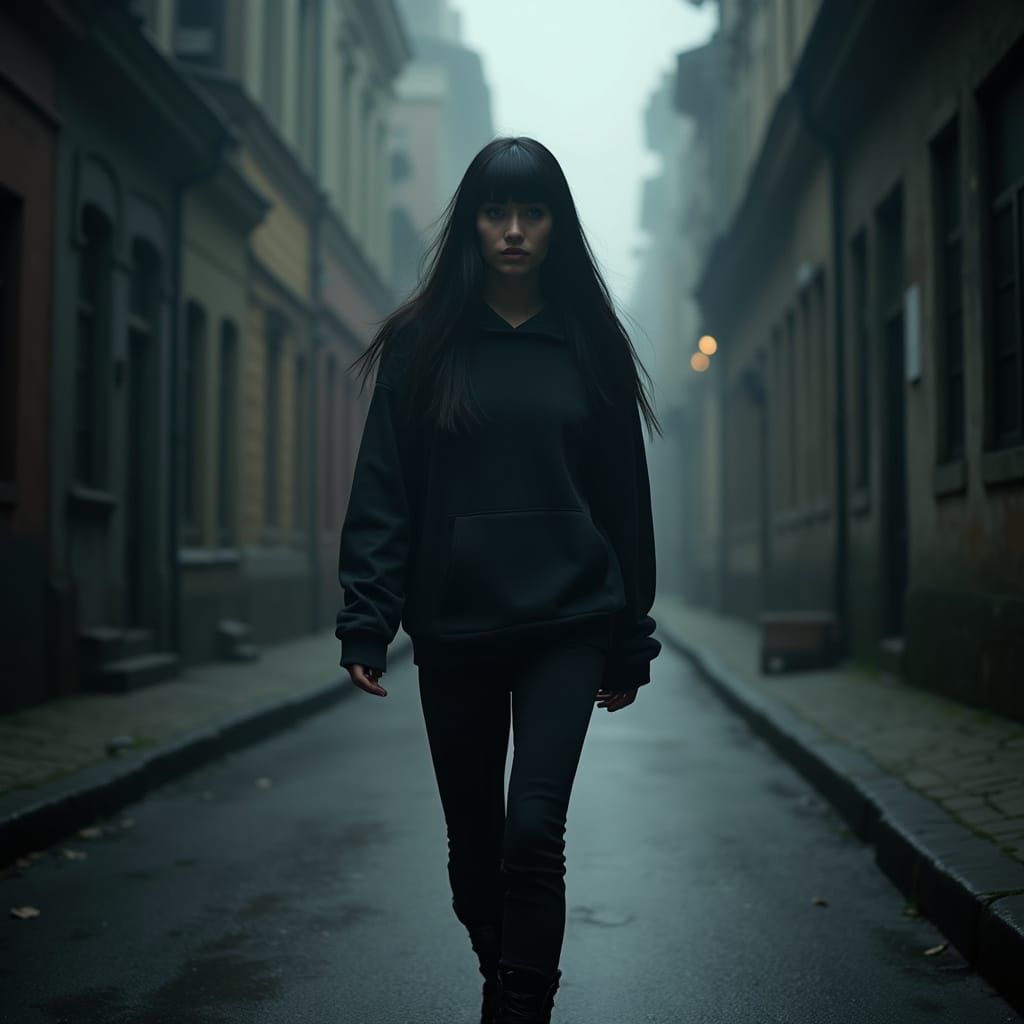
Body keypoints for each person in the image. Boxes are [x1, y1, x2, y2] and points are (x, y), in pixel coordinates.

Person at [335, 136, 662, 1024]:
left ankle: (520, 1007)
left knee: (532, 833)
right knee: (474, 856)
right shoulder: (420, 347)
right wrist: (365, 619)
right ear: (472, 223)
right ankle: (501, 966)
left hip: (568, 622)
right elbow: (383, 492)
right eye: (495, 212)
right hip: (457, 627)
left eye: (533, 212)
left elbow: (624, 503)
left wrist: (629, 640)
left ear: (557, 224)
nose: (514, 231)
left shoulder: (592, 344)